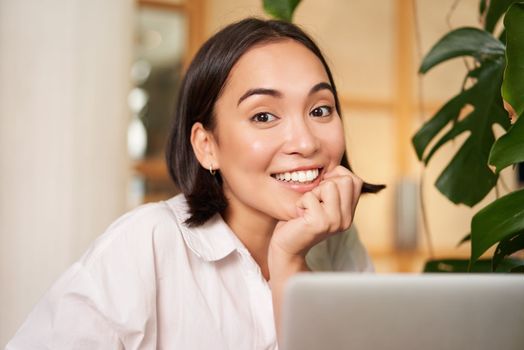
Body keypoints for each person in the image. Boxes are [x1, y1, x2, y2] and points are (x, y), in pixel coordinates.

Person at [6, 18, 384, 349]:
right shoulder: (147, 243)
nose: (305, 142)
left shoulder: (336, 243)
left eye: (320, 110)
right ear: (207, 146)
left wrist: (289, 261)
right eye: (264, 116)